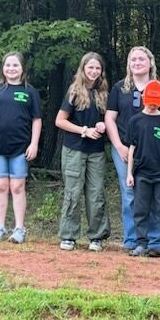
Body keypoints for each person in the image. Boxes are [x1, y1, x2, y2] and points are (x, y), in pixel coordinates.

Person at [0, 52, 42, 244]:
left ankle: (20, 229)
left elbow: (37, 120)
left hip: (20, 148)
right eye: (8, 65)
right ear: (3, 68)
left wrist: (34, 143)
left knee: (17, 187)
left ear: (22, 68)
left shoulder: (30, 92)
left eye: (15, 65)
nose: (11, 69)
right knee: (1, 186)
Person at [105, 47, 160, 253]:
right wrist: (119, 146)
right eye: (133, 60)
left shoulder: (159, 88)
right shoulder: (120, 88)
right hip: (124, 149)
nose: (137, 63)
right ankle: (133, 240)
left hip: (154, 152)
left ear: (150, 62)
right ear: (129, 64)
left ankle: (155, 242)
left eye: (141, 59)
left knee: (154, 196)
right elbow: (110, 119)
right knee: (130, 194)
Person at [55, 52, 110, 252]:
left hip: (96, 151)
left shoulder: (104, 93)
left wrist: (102, 126)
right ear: (83, 68)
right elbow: (59, 120)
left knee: (96, 194)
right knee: (73, 192)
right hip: (74, 150)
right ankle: (69, 235)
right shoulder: (74, 91)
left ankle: (97, 237)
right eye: (91, 67)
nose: (94, 71)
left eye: (98, 68)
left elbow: (108, 120)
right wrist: (84, 131)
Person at [125, 80, 160, 258]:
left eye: (156, 102)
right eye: (150, 101)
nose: (153, 105)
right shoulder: (135, 121)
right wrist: (129, 173)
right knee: (141, 209)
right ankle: (141, 243)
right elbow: (131, 148)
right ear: (143, 98)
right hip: (141, 174)